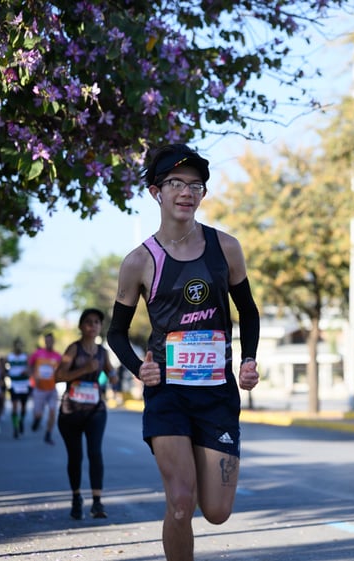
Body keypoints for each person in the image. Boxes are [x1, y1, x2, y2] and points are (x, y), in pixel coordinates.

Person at [107, 143, 261, 560]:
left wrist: (248, 360)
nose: (187, 192)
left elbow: (248, 312)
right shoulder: (139, 261)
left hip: (216, 395)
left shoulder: (225, 247)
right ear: (156, 191)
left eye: (196, 185)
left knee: (216, 511)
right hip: (168, 395)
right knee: (180, 501)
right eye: (176, 183)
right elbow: (116, 333)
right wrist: (141, 369)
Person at [55, 308, 117, 519]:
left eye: (97, 322)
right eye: (89, 322)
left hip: (95, 410)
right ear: (81, 326)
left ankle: (97, 502)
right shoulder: (73, 349)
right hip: (71, 411)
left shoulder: (102, 352)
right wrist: (83, 370)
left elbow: (111, 372)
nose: (93, 325)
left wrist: (113, 375)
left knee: (95, 453)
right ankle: (76, 498)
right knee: (76, 456)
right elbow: (58, 376)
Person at [29, 332, 63, 445]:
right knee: (38, 414)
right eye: (47, 340)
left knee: (53, 412)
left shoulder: (58, 356)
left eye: (51, 340)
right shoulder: (37, 354)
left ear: (53, 342)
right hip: (39, 389)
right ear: (44, 341)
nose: (49, 342)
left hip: (52, 389)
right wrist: (33, 377)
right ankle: (37, 420)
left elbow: (62, 370)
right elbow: (30, 366)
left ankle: (48, 434)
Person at [6, 338, 30, 439]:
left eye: (20, 345)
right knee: (15, 406)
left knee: (24, 407)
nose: (18, 347)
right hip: (14, 384)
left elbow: (30, 367)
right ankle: (15, 427)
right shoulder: (10, 357)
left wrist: (27, 371)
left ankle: (21, 421)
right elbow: (5, 369)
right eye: (17, 345)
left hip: (24, 384)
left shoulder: (25, 357)